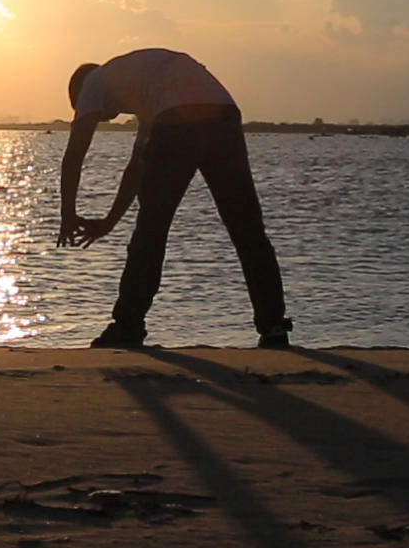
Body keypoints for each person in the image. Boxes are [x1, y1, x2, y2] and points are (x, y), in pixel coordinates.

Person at [57, 48, 292, 348]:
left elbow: (75, 154)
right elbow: (137, 168)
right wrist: (109, 222)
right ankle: (273, 326)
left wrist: (67, 213)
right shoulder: (144, 91)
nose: (93, 115)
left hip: (180, 120)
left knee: (152, 229)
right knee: (247, 228)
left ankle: (127, 326)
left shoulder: (93, 81)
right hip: (224, 112)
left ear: (79, 92)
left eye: (80, 109)